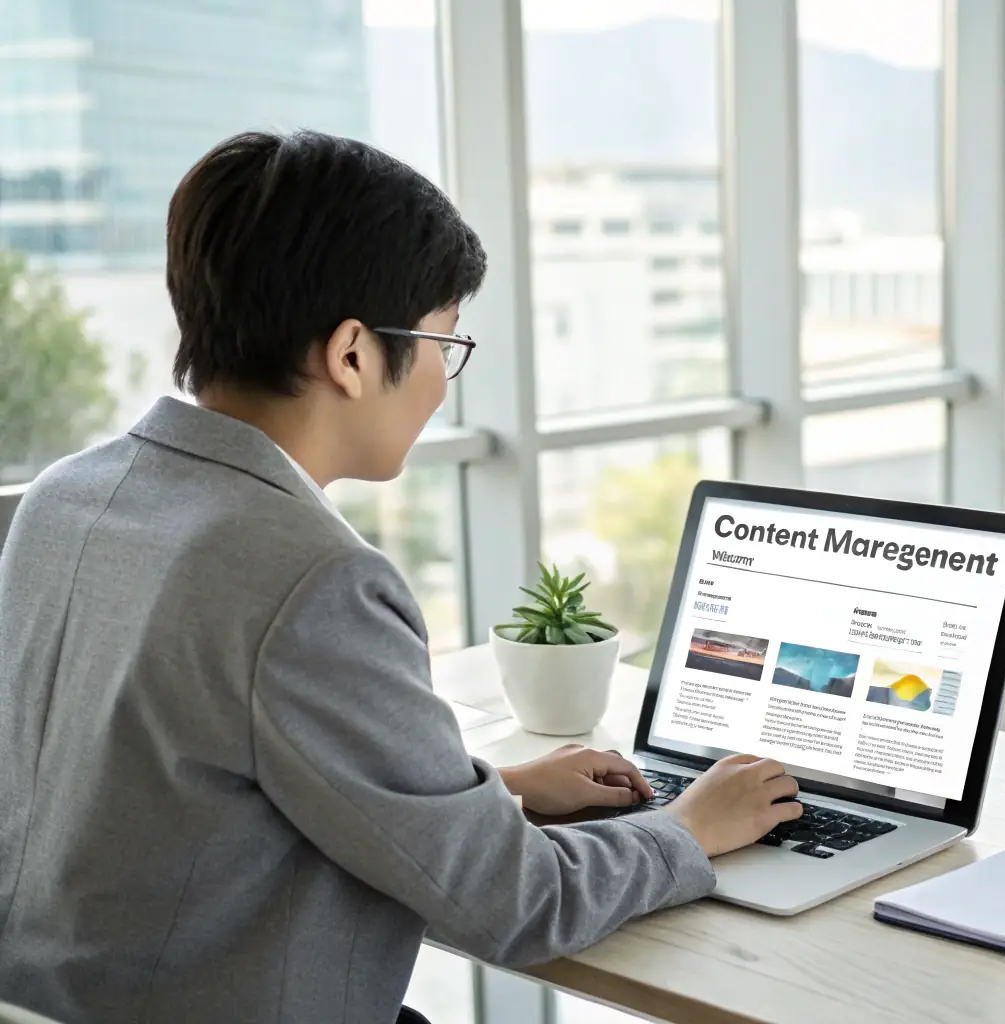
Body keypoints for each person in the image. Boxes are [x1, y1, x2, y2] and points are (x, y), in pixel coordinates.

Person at [0, 131, 803, 1024]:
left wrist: (492, 792)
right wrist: (688, 827)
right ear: (351, 354)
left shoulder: (65, 497)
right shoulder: (309, 579)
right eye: (442, 343)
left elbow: (184, 790)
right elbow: (517, 904)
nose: (441, 384)